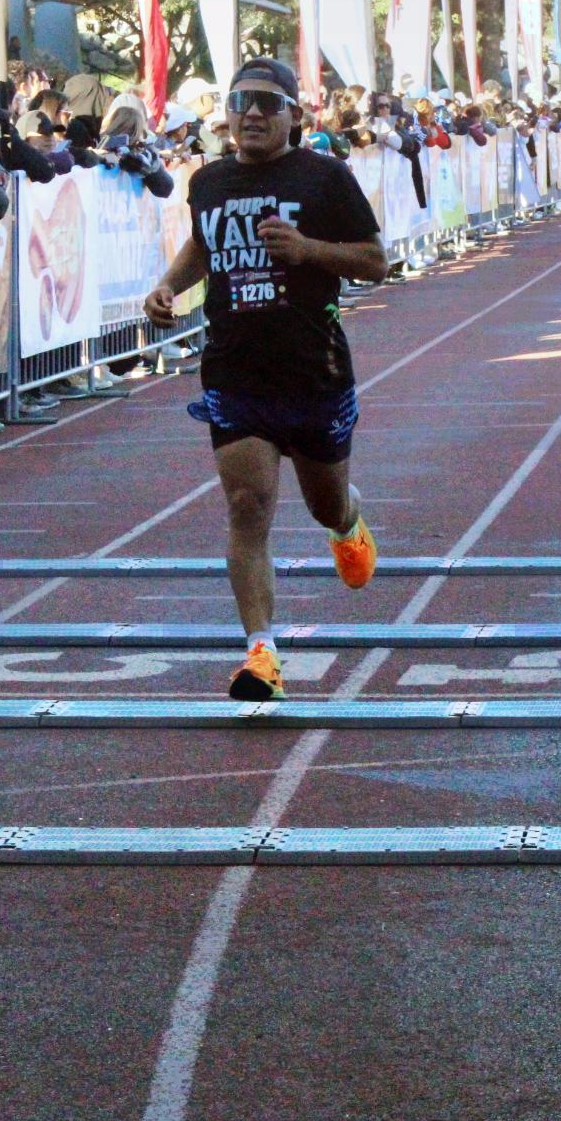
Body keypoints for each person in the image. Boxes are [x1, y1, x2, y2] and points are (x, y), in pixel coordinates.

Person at [141, 58, 386, 701]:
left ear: (293, 116)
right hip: (235, 369)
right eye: (241, 100)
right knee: (247, 506)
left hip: (313, 371)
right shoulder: (209, 179)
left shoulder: (325, 177)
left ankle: (346, 521)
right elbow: (202, 245)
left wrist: (308, 250)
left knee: (323, 502)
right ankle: (261, 655)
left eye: (268, 103)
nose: (251, 113)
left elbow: (375, 261)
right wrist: (169, 285)